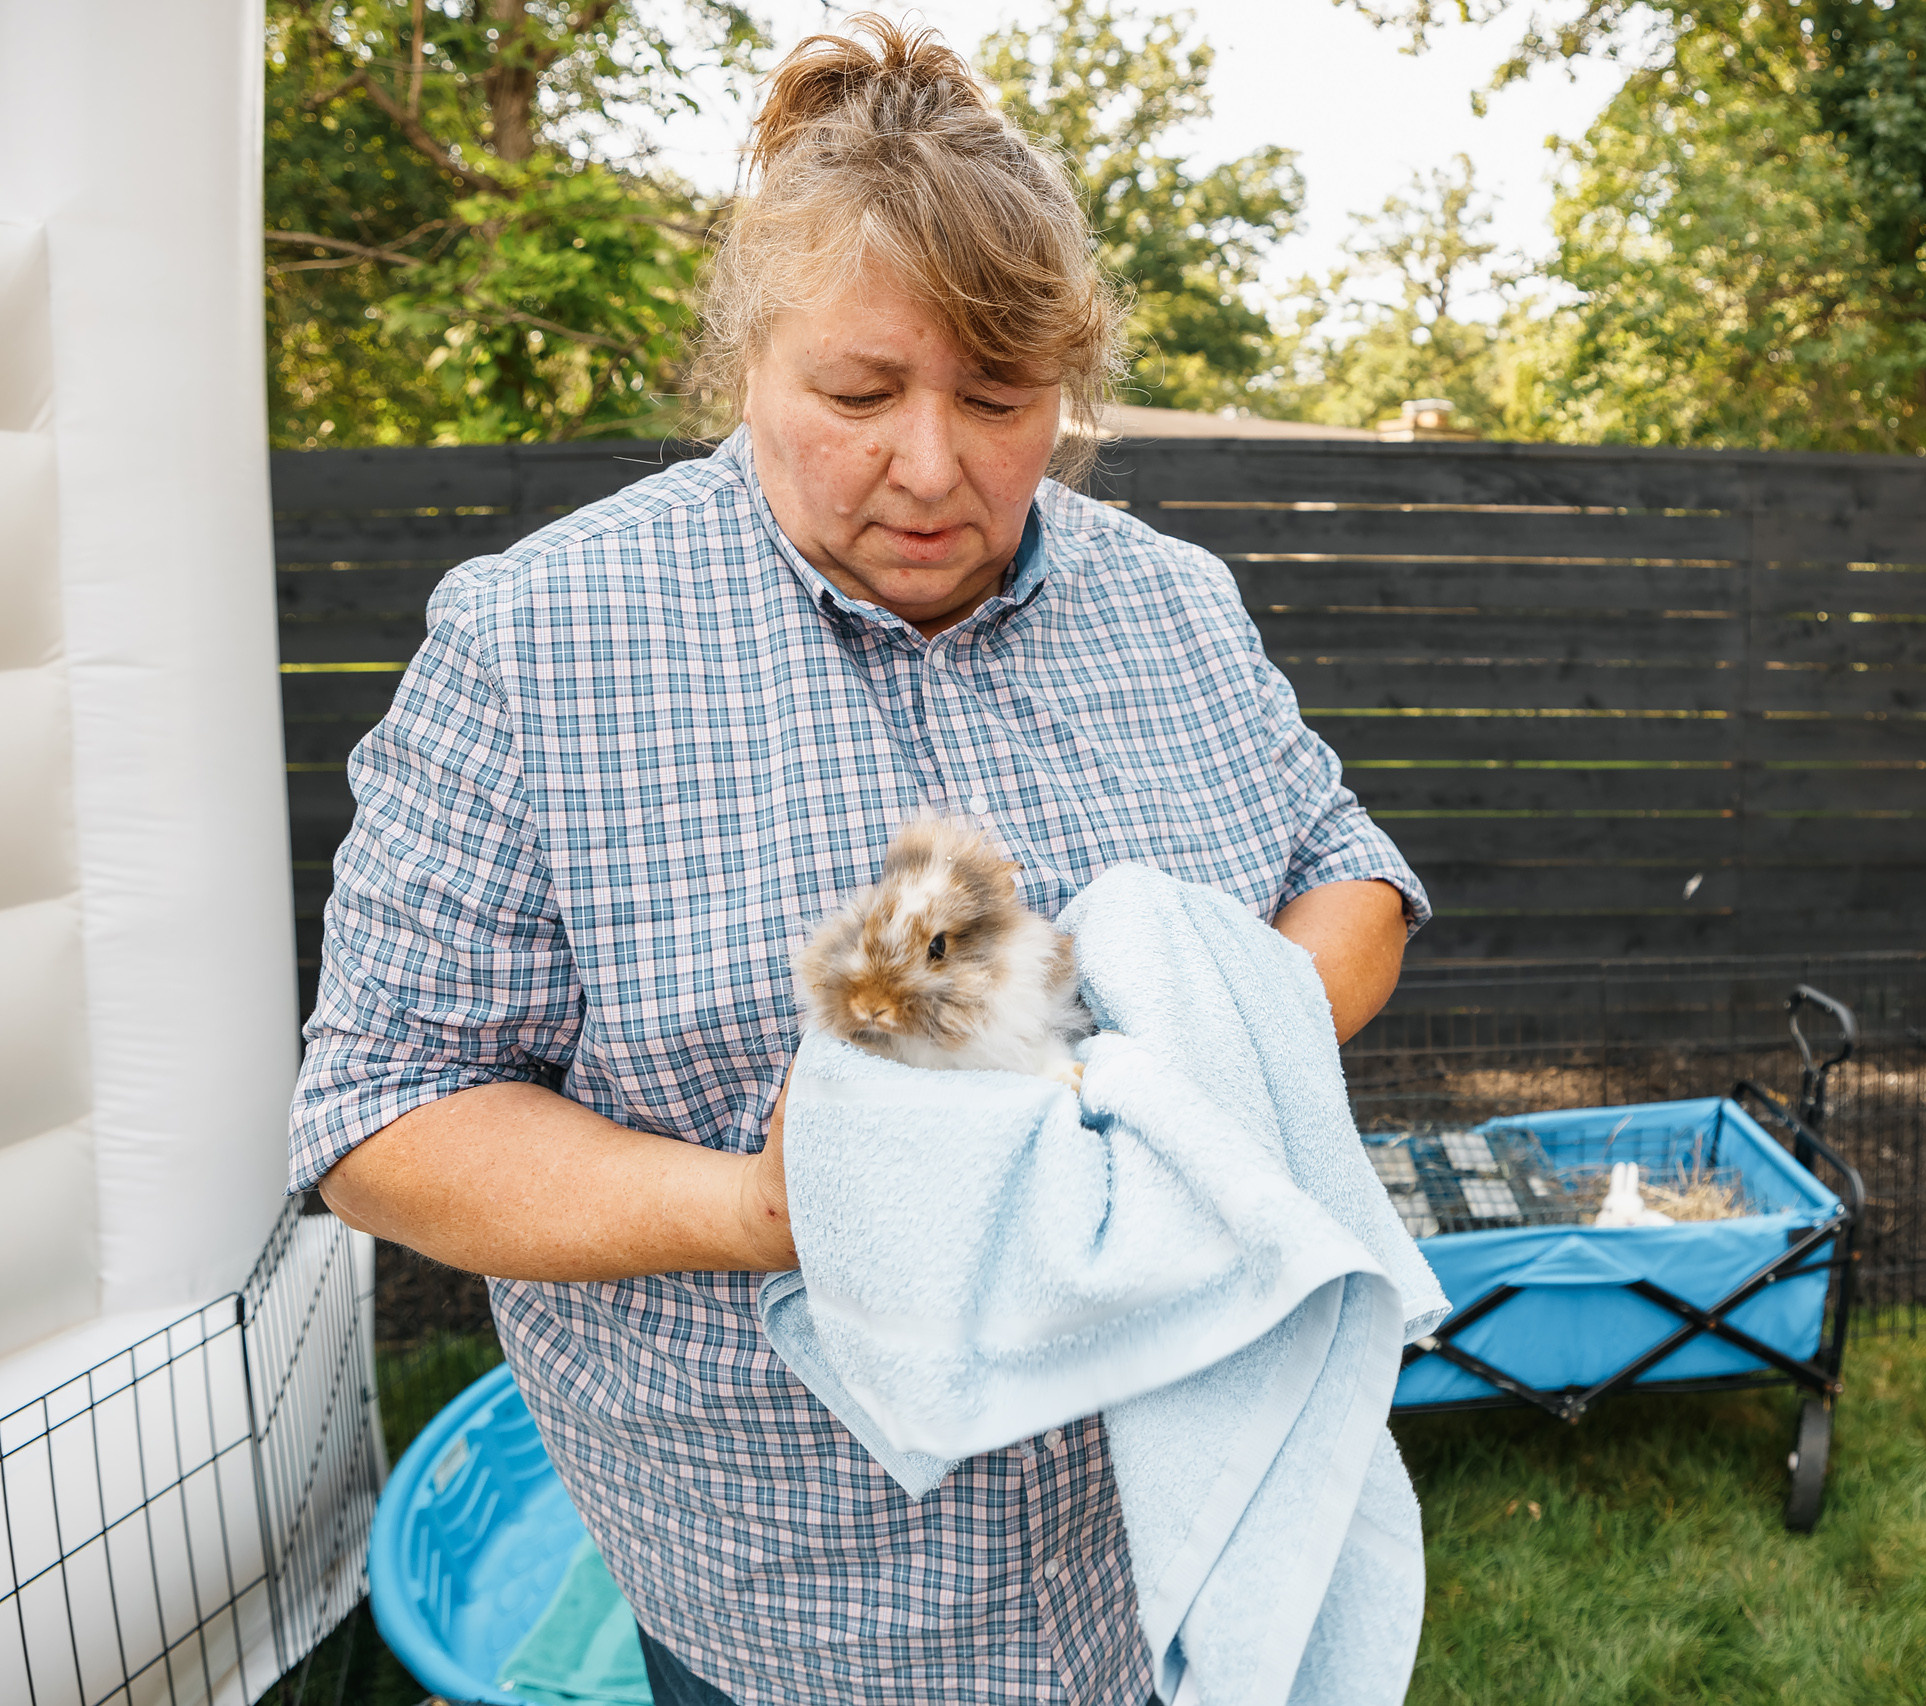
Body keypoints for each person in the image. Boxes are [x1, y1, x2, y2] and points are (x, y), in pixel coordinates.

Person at [291, 20, 1426, 1706]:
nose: (931, 463)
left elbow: (1348, 871)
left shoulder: (1175, 606)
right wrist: (770, 1205)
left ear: (1073, 388)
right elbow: (382, 1115)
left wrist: (1181, 1065)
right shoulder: (541, 639)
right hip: (804, 1611)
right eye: (857, 391)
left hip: (1175, 1557)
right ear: (748, 361)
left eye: (1000, 397)